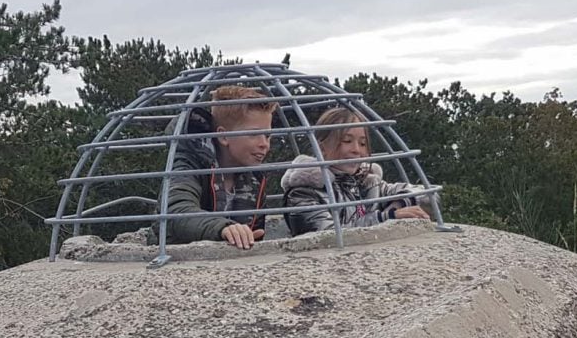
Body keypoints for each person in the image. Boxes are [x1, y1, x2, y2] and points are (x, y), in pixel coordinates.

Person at [281, 108, 432, 236]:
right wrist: (387, 217)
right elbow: (327, 235)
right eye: (347, 141)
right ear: (321, 149)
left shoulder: (368, 183)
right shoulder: (302, 193)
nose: (356, 150)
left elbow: (429, 195)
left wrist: (398, 205)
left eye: (363, 143)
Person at [164, 86, 276, 248]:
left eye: (267, 135)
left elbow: (255, 236)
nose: (264, 144)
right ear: (223, 136)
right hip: (181, 263)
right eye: (254, 134)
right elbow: (177, 211)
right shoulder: (189, 165)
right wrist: (223, 229)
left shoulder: (255, 179)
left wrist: (248, 239)